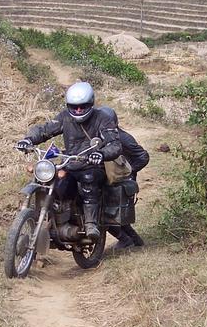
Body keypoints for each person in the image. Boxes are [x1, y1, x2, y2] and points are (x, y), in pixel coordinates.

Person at [17, 82, 122, 239]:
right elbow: (45, 130)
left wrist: (101, 154)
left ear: (91, 103)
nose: (78, 110)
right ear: (68, 105)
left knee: (89, 178)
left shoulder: (102, 119)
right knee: (51, 180)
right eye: (74, 106)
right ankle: (49, 216)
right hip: (70, 164)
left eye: (83, 106)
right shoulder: (65, 117)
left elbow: (115, 144)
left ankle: (90, 223)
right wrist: (28, 140)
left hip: (92, 165)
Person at [106, 128, 149, 251]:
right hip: (110, 178)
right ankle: (133, 240)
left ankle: (126, 239)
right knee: (113, 214)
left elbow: (143, 156)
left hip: (122, 181)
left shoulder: (123, 138)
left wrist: (128, 172)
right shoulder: (104, 134)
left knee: (110, 213)